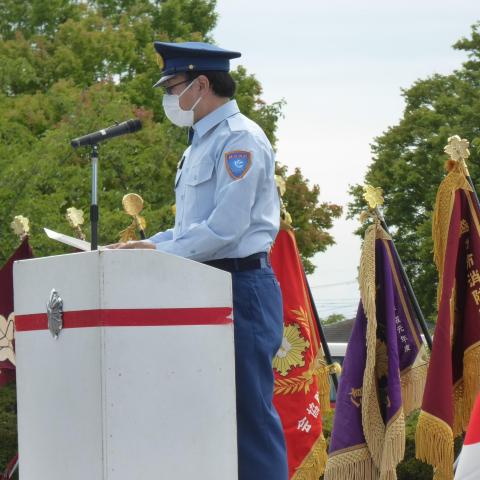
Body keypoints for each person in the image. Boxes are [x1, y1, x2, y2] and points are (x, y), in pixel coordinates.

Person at [110, 41, 288, 479]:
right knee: (206, 415)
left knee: (248, 416)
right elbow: (192, 227)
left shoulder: (239, 139)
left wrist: (159, 252)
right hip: (202, 286)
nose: (169, 99)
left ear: (201, 84)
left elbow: (225, 230)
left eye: (172, 87)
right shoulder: (199, 145)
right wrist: (146, 244)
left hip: (240, 287)